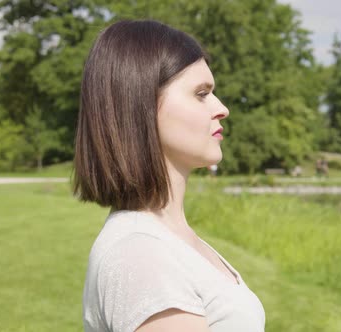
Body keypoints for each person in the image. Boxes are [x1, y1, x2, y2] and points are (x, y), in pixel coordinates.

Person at [73, 20, 265, 332]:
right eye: (201, 93)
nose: (222, 109)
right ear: (142, 105)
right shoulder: (141, 256)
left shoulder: (163, 239)